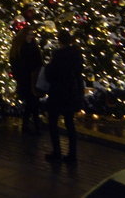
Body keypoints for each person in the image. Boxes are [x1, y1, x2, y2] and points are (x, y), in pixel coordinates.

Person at [43, 30, 84, 164]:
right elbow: (79, 72)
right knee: (70, 123)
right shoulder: (77, 54)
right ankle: (72, 154)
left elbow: (51, 73)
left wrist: (48, 68)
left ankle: (57, 151)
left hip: (58, 92)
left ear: (60, 41)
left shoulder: (58, 55)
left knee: (53, 122)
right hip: (71, 92)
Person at [9, 26, 43, 135]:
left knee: (33, 102)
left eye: (32, 35)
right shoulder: (20, 48)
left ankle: (31, 124)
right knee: (32, 102)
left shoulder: (33, 47)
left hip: (33, 78)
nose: (31, 37)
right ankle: (32, 125)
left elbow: (38, 62)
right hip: (25, 79)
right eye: (29, 34)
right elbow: (16, 64)